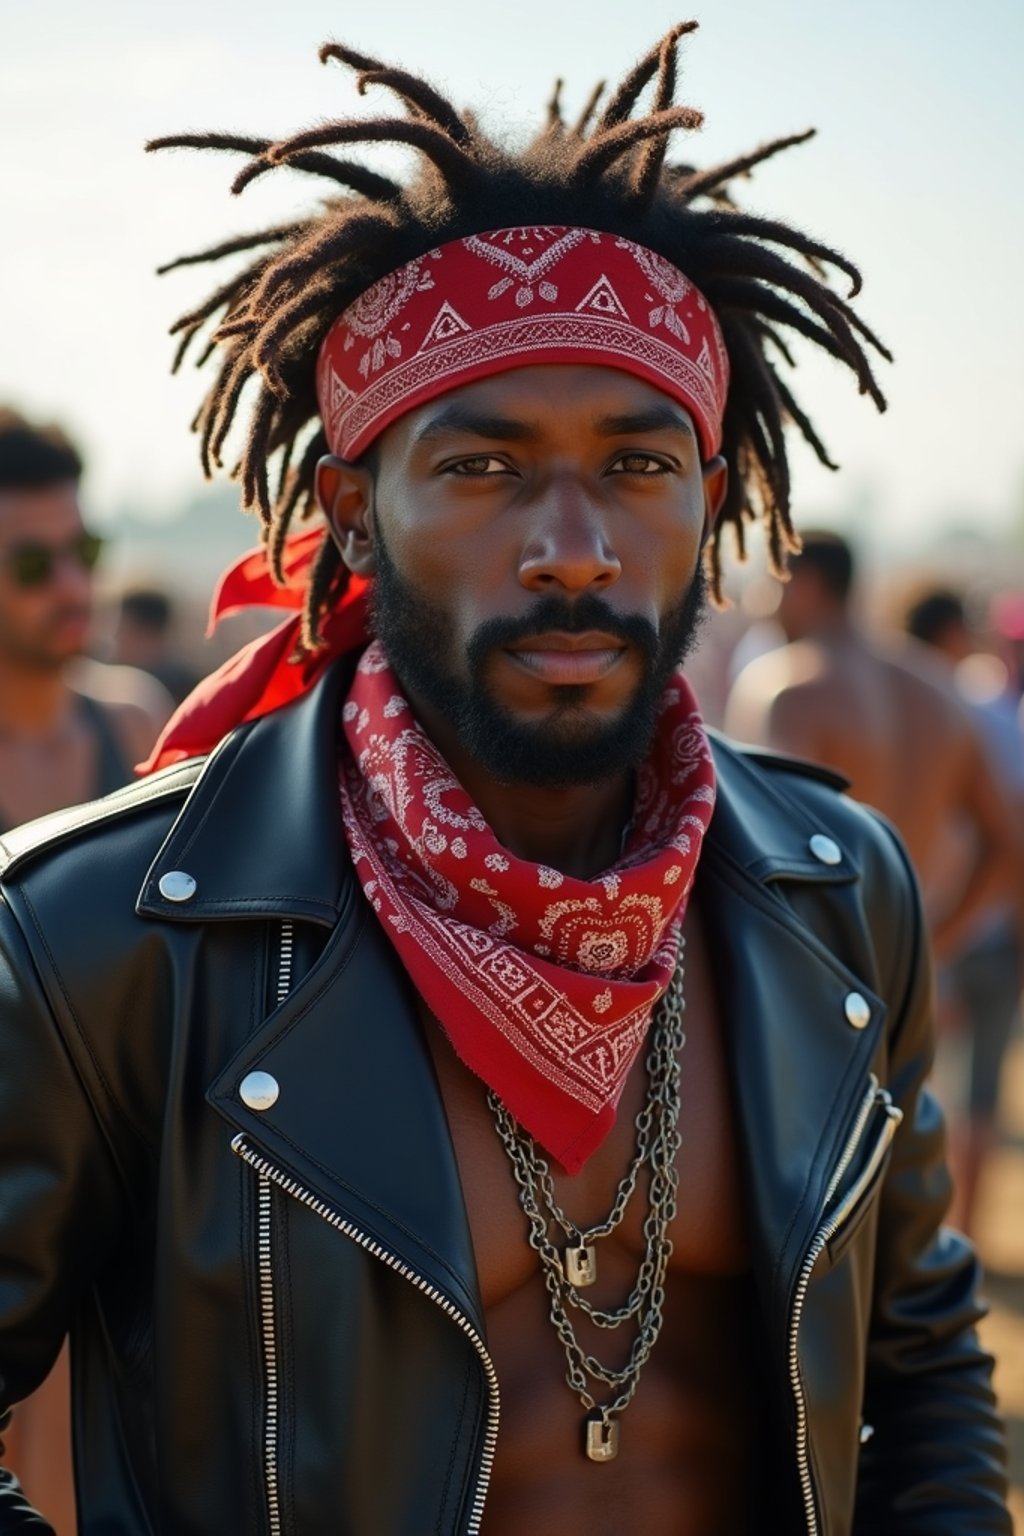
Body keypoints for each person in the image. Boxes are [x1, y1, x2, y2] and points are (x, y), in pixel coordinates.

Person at [0, 27, 1010, 1535]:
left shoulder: (834, 891)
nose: (574, 545)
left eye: (639, 465)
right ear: (350, 514)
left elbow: (918, 1362)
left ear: (715, 502)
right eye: (480, 469)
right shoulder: (110, 939)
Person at [0, 408, 173, 1535]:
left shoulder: (134, 724)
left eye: (85, 550)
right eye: (30, 562)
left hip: (110, 1208)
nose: (72, 583)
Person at [724, 531, 1018, 965]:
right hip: (900, 974)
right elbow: (1010, 843)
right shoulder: (940, 693)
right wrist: (927, 951)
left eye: (768, 586)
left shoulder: (783, 686)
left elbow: (759, 848)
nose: (759, 604)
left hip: (809, 975)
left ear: (804, 585)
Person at [903, 587, 1024, 1237]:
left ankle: (937, 1241)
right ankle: (964, 1236)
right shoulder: (990, 717)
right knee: (973, 1097)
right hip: (985, 932)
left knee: (931, 1096)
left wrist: (937, 938)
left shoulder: (932, 713)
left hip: (935, 930)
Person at [112, 586, 202, 705]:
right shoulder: (112, 683)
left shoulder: (186, 693)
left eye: (122, 627)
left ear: (146, 633)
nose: (115, 636)